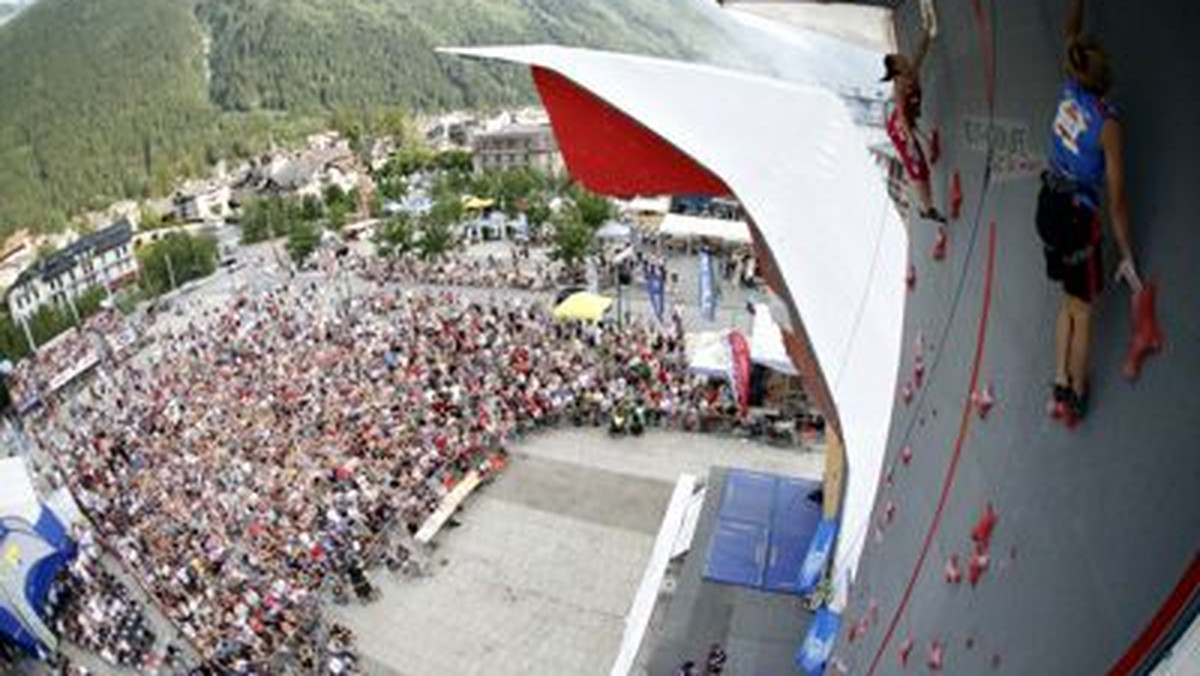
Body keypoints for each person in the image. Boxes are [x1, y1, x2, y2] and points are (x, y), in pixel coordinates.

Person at [1036, 0, 1140, 421]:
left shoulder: (1068, 85)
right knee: (1083, 310)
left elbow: (1070, 32)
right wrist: (1126, 250)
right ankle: (1075, 392)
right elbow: (1115, 196)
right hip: (1077, 218)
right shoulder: (1107, 122)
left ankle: (1059, 379)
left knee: (1066, 302)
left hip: (1047, 207)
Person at [882, 0, 945, 222]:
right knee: (917, 167)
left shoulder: (910, 72)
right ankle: (927, 209)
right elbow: (900, 112)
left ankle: (926, 207)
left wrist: (928, 33)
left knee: (922, 166)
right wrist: (911, 140)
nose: (905, 58)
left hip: (904, 122)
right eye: (901, 60)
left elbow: (919, 56)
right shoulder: (901, 84)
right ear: (898, 69)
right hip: (900, 127)